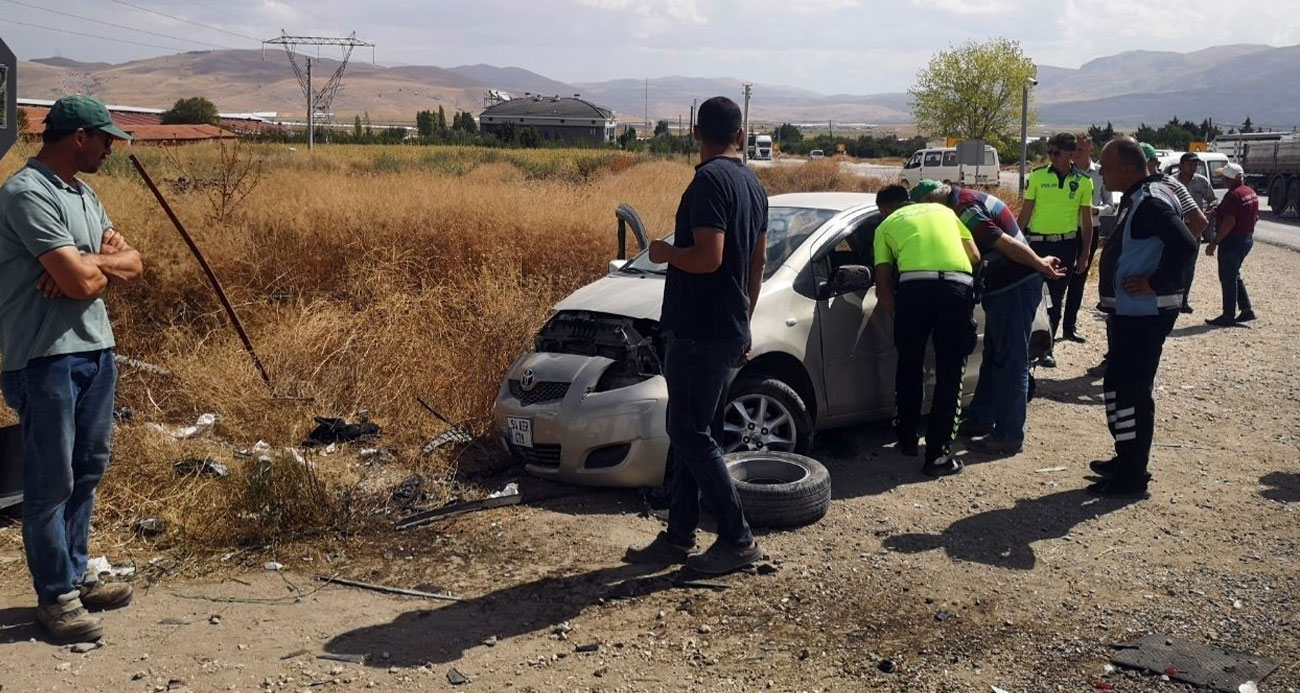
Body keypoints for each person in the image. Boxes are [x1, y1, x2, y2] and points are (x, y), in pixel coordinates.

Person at [0, 95, 144, 642]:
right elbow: (86, 284)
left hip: (95, 350)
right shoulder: (25, 193)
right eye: (105, 138)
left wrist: (89, 262)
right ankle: (56, 596)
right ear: (78, 136)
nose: (111, 147)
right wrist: (90, 268)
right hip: (44, 357)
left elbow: (133, 264)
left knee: (88, 469)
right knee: (48, 482)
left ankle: (77, 573)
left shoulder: (82, 194)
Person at [624, 96, 765, 574]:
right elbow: (756, 263)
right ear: (741, 135)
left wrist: (664, 252)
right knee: (693, 434)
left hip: (698, 329)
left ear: (695, 135)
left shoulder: (708, 182)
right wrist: (746, 318)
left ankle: (738, 539)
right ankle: (679, 537)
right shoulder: (753, 184)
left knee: (687, 432)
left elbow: (709, 258)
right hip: (726, 327)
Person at [910, 180, 1066, 456]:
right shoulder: (964, 200)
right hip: (1004, 287)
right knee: (995, 356)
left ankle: (1008, 435)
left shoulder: (964, 209)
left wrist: (1040, 264)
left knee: (1010, 360)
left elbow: (1003, 243)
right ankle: (981, 419)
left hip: (1014, 286)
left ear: (934, 204)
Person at [1090, 137, 1198, 497]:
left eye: (1104, 166)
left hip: (1143, 315)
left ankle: (1133, 476)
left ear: (1126, 168)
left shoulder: (1150, 201)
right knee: (1119, 388)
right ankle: (1126, 459)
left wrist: (1155, 281)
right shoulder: (1142, 194)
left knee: (1133, 392)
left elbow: (1186, 243)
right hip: (1129, 313)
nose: (1101, 173)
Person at [874, 185, 980, 477]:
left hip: (913, 289)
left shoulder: (885, 225)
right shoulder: (944, 211)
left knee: (909, 364)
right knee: (950, 372)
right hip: (956, 288)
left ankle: (907, 439)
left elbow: (882, 286)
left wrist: (900, 314)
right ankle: (937, 457)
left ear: (885, 209)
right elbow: (973, 255)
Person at [1017, 133, 1093, 367]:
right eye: (1049, 152)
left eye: (1055, 153)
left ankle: (1046, 348)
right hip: (1038, 244)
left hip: (1066, 245)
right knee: (1032, 295)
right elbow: (1026, 212)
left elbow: (1087, 222)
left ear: (1070, 154)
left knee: (1055, 298)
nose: (1050, 157)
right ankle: (1026, 343)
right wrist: (1014, 241)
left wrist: (1085, 254)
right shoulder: (1038, 177)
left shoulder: (1083, 182)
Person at [1061, 133, 1110, 344]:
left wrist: (1096, 211)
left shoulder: (1100, 174)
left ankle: (1069, 327)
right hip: (1065, 231)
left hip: (1090, 231)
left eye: (1080, 149)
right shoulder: (1064, 172)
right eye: (1073, 149)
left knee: (1078, 280)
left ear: (1090, 149)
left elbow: (1111, 205)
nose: (1075, 153)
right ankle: (1047, 330)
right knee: (1057, 280)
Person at [1204, 162, 1258, 326]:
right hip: (1246, 238)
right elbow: (1254, 217)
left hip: (1233, 241)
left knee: (1227, 278)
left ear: (1231, 179)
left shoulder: (1233, 195)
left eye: (1224, 177)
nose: (1222, 180)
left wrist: (1214, 242)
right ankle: (1246, 310)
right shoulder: (1250, 193)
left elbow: (1229, 222)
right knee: (1234, 274)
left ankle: (1228, 315)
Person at [1175, 152, 1217, 313]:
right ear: (1182, 165)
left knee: (1189, 264)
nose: (1193, 168)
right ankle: (1172, 297)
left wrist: (1209, 210)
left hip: (1195, 228)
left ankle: (1184, 300)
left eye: (1195, 165)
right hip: (1176, 225)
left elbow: (1213, 199)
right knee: (1173, 262)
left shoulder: (1202, 182)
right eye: (1190, 165)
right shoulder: (1172, 181)